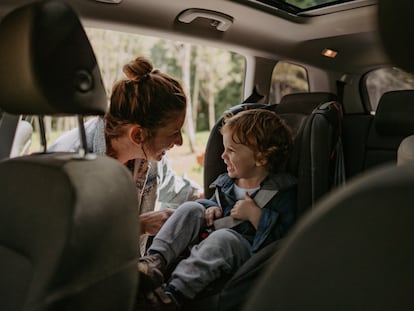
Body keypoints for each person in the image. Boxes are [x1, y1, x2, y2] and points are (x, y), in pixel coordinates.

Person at [137, 108, 297, 309]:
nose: (223, 156)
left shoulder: (281, 192)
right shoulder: (228, 183)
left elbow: (285, 242)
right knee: (190, 209)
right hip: (215, 237)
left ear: (261, 158)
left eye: (231, 150)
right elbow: (216, 204)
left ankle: (174, 293)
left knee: (224, 239)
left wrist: (256, 216)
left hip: (249, 256)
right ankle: (154, 261)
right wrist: (210, 208)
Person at [48, 56, 202, 254]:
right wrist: (139, 226)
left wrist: (215, 200)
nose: (180, 141)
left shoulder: (148, 154)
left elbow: (172, 188)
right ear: (138, 135)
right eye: (174, 132)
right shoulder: (73, 163)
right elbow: (63, 242)